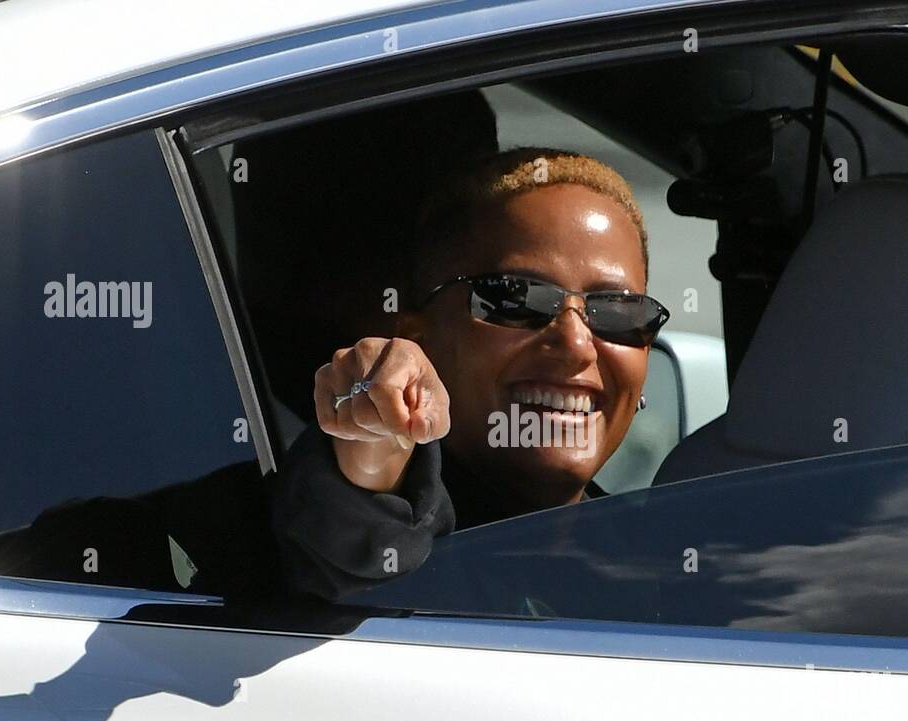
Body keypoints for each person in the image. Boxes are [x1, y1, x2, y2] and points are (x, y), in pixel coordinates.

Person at [273, 147, 669, 601]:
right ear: (418, 340)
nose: (576, 346)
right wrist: (375, 433)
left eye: (618, 312)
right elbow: (353, 537)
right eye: (515, 300)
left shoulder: (661, 575)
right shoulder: (400, 540)